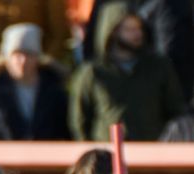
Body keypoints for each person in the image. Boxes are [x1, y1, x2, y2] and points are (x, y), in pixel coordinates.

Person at [69, 5, 185, 142]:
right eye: (129, 29)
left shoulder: (158, 67)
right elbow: (79, 120)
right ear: (112, 31)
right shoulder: (92, 73)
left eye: (138, 28)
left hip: (151, 152)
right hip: (107, 153)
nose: (137, 34)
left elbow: (176, 110)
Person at [0, 22, 70, 141]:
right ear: (6, 58)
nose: (23, 61)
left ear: (37, 58)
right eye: (16, 55)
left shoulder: (54, 90)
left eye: (28, 54)